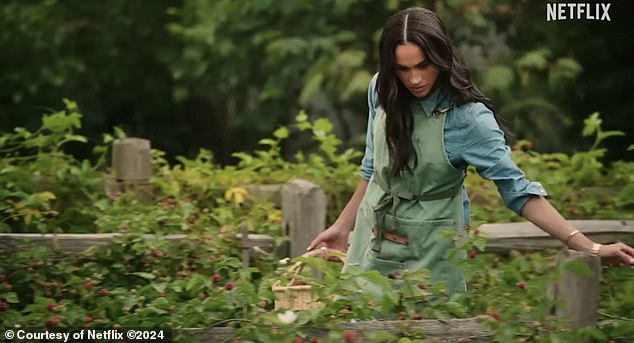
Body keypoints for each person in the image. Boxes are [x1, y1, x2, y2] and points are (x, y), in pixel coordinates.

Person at [306, 6, 634, 294]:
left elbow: (518, 192)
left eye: (423, 65)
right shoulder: (381, 89)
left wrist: (589, 247)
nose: (415, 79)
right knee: (361, 322)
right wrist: (343, 226)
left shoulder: (469, 119)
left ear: (441, 57)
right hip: (373, 233)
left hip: (432, 243)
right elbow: (372, 166)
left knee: (427, 326)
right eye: (403, 69)